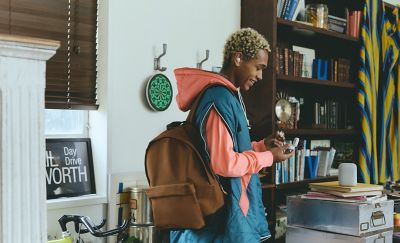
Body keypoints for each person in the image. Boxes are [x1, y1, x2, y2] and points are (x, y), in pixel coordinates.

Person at [171, 28, 295, 243]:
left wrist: (261, 146)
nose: (260, 76)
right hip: (220, 221)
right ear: (238, 58)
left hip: (226, 217)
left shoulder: (228, 96)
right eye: (258, 67)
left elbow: (226, 151)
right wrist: (269, 158)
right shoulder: (219, 98)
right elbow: (224, 164)